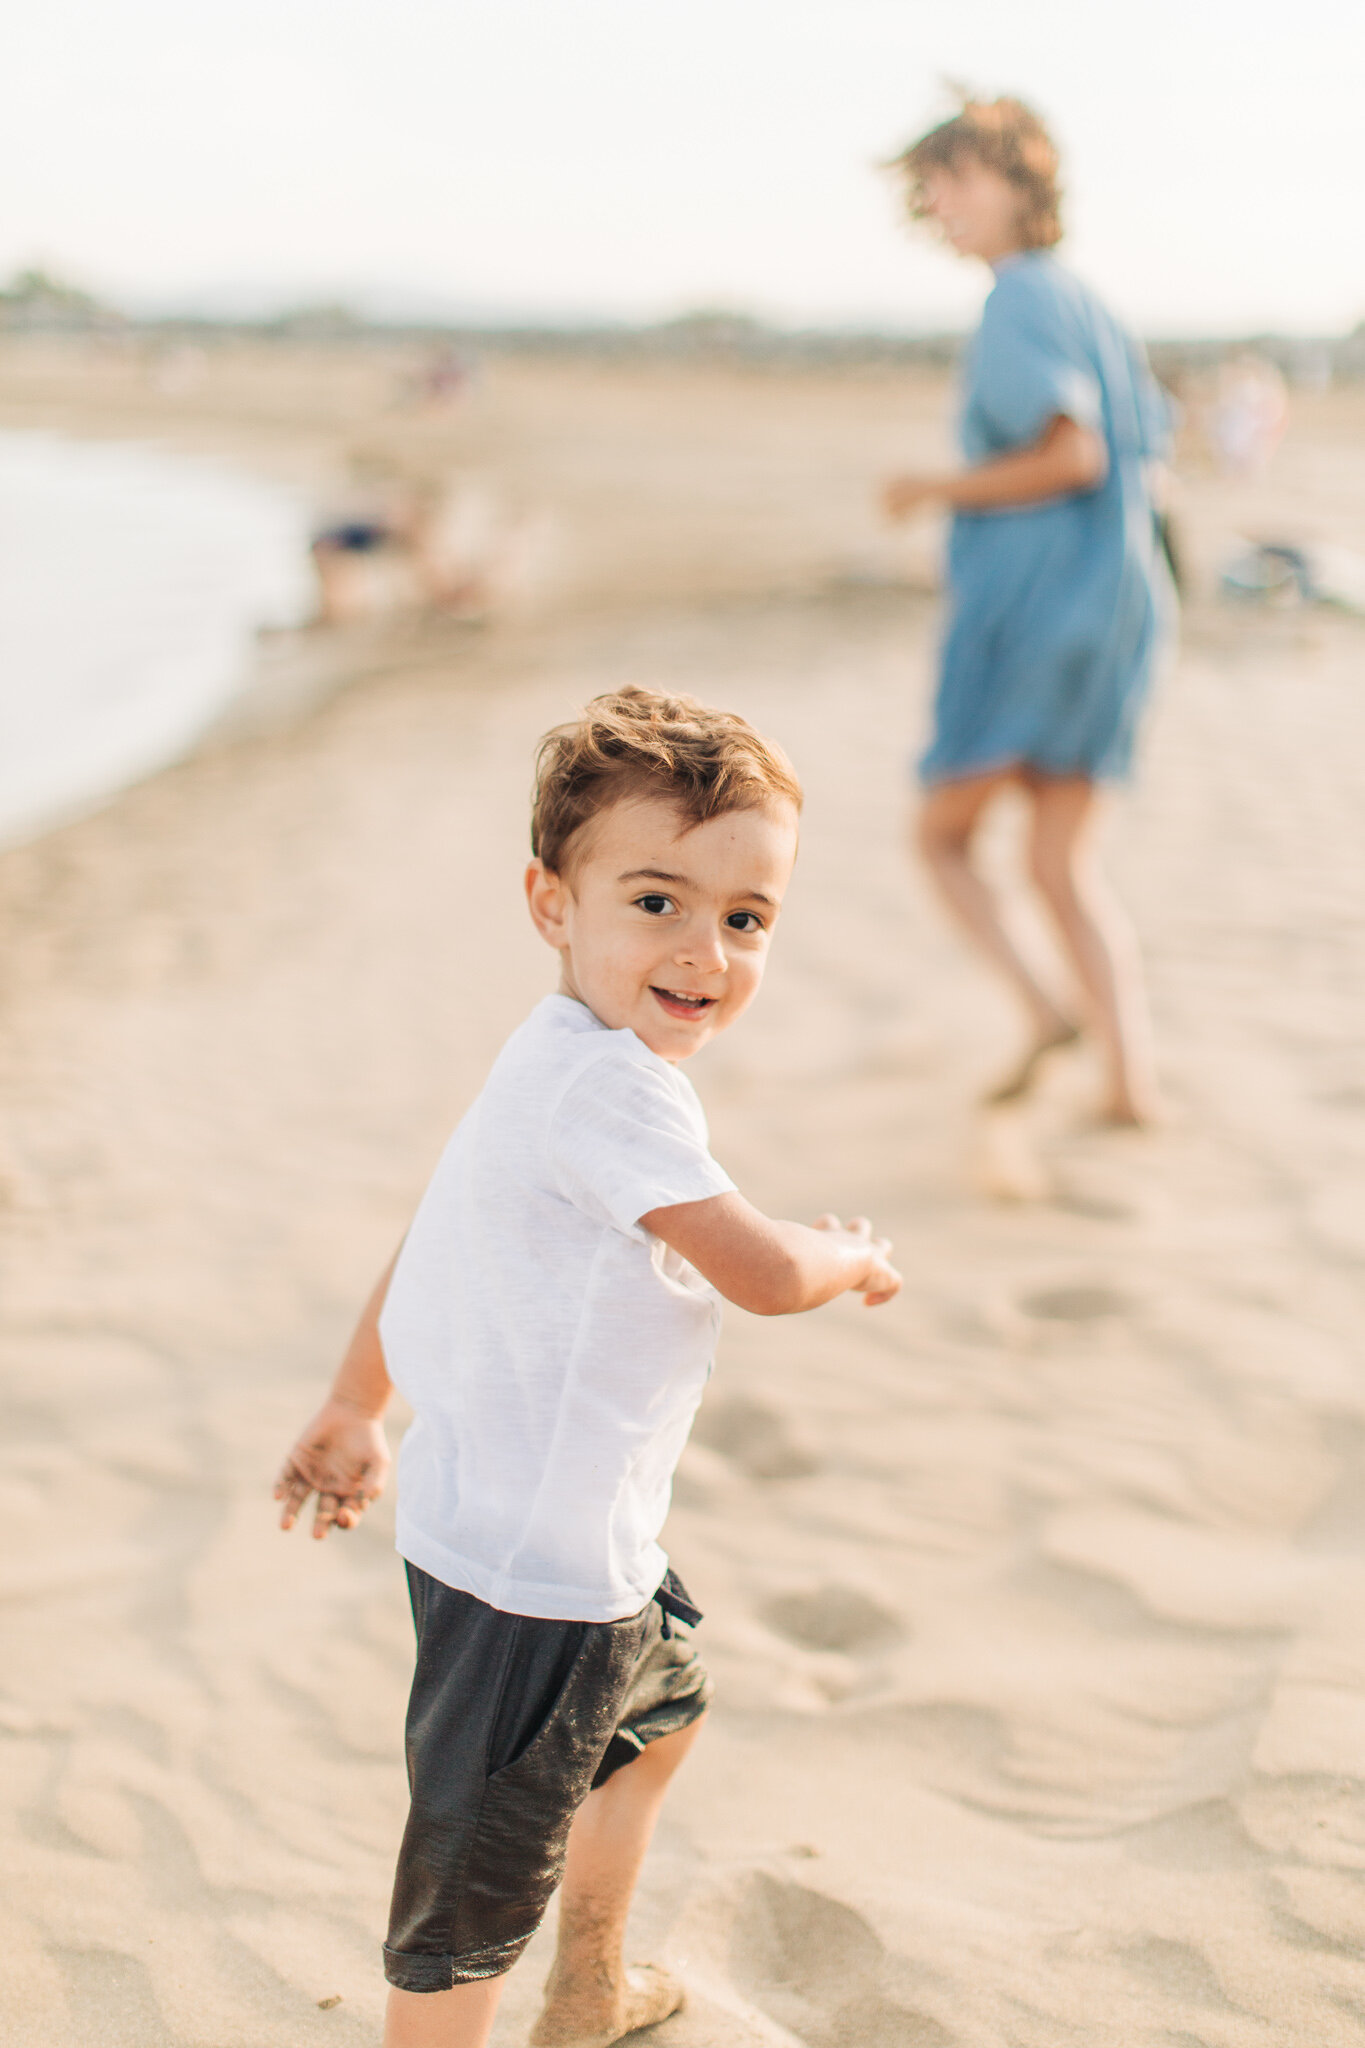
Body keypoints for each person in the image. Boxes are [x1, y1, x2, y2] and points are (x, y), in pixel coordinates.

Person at [274, 687, 902, 2048]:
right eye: (656, 901)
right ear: (552, 903)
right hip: (534, 1588)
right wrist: (848, 1254)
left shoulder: (559, 1056)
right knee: (465, 1911)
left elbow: (429, 1235)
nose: (706, 951)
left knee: (659, 1721)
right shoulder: (610, 1092)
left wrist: (351, 1402)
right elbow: (765, 1273)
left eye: (745, 920)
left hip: (567, 1547)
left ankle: (591, 1985)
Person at [883, 98, 1173, 1125]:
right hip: (1124, 607)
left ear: (1018, 181)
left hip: (1046, 618)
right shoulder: (1088, 301)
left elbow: (1072, 454)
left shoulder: (1020, 300)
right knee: (1060, 859)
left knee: (941, 834)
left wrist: (933, 487)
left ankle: (1049, 1008)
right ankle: (1129, 1088)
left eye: (958, 179)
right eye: (933, 189)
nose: (941, 204)